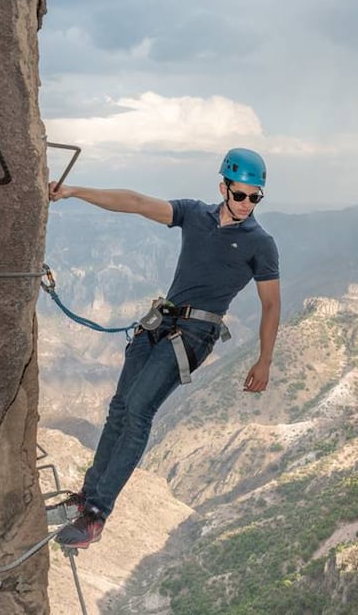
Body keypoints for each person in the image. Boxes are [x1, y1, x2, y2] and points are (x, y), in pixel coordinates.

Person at [47, 148, 280, 548]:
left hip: (195, 334)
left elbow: (271, 304)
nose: (246, 204)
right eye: (240, 194)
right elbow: (136, 203)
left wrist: (264, 360)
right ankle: (87, 495)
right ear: (223, 186)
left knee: (138, 413)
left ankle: (96, 515)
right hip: (159, 321)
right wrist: (72, 191)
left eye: (254, 197)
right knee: (119, 408)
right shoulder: (194, 214)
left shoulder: (260, 243)